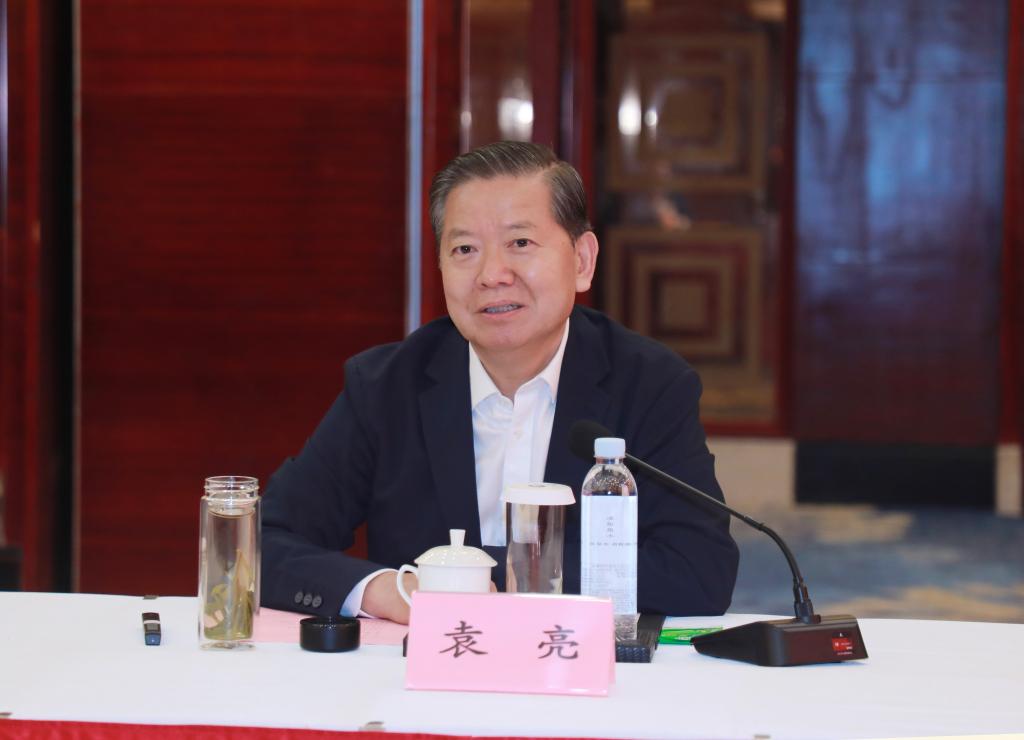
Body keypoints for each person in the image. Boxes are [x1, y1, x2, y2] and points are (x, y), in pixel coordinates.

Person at [261, 141, 738, 624]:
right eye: (465, 249)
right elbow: (266, 542)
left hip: (577, 663)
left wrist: (491, 579)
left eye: (520, 243)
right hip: (428, 664)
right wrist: (388, 590)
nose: (492, 275)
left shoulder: (650, 384)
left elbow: (700, 570)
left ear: (582, 260)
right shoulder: (386, 387)